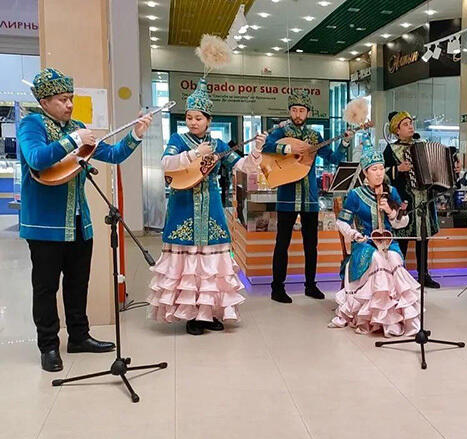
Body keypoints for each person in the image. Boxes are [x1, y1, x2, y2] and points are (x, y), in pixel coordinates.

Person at [18, 68, 152, 371]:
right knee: (46, 287)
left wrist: (136, 134)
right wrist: (72, 140)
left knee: (78, 283)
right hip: (44, 226)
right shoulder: (31, 124)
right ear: (44, 101)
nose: (69, 104)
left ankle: (79, 337)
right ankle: (48, 346)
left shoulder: (77, 127)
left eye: (71, 98)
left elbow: (113, 155)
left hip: (80, 222)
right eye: (62, 99)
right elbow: (37, 158)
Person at [146, 79, 264, 335]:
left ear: (209, 120)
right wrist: (194, 154)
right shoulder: (178, 139)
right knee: (188, 262)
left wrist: (256, 152)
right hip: (183, 205)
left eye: (198, 118)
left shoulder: (219, 144)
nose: (193, 122)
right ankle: (190, 315)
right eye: (189, 117)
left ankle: (208, 312)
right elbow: (166, 163)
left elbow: (241, 166)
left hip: (211, 206)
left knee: (211, 264)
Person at [263, 91, 352, 303]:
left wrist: (344, 143)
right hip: (286, 196)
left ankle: (310, 285)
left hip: (310, 197)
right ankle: (277, 288)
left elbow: (332, 158)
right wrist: (288, 148)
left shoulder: (314, 136)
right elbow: (266, 146)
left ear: (308, 113)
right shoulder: (281, 131)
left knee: (311, 245)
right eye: (294, 110)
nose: (298, 114)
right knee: (282, 244)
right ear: (289, 112)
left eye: (301, 110)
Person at [328, 147, 421, 336]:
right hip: (365, 242)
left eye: (381, 168)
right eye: (374, 169)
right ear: (365, 173)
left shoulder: (391, 191)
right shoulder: (355, 194)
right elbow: (342, 222)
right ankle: (374, 316)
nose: (379, 173)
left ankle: (394, 318)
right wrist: (354, 234)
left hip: (388, 242)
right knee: (378, 260)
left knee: (394, 259)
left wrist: (391, 212)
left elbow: (402, 222)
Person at [383, 111, 440, 288]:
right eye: (405, 124)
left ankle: (423, 274)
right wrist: (397, 169)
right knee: (403, 238)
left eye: (411, 123)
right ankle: (399, 274)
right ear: (397, 130)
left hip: (423, 199)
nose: (410, 127)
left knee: (423, 238)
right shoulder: (390, 149)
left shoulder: (422, 146)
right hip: (404, 200)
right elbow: (381, 175)